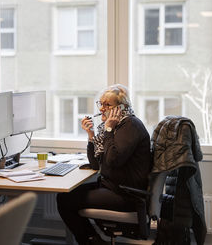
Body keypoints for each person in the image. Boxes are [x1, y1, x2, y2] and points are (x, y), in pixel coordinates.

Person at [56, 84, 152, 245]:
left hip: (126, 194)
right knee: (65, 196)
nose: (101, 109)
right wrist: (91, 136)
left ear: (121, 108)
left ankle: (92, 241)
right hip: (112, 186)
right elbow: (95, 164)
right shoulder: (116, 126)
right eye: (100, 104)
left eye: (107, 105)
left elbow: (113, 160)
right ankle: (93, 240)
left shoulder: (130, 125)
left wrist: (108, 129)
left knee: (65, 201)